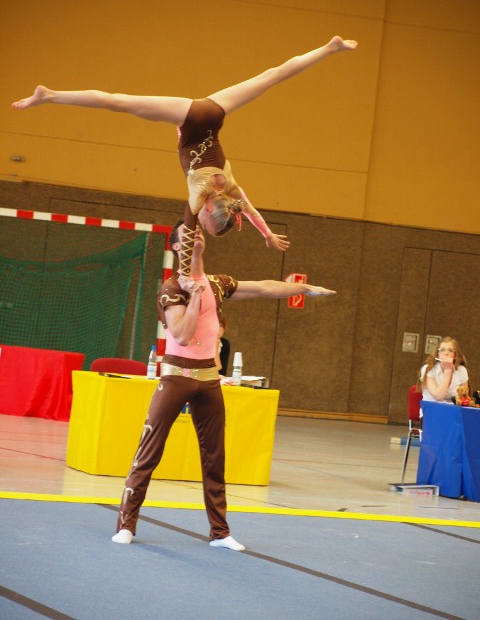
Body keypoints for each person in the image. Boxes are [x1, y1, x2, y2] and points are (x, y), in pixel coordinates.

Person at [111, 220, 336, 549]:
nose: (197, 236)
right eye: (188, 235)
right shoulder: (172, 289)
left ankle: (220, 532)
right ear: (177, 247)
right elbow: (182, 336)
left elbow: (262, 288)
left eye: (199, 231)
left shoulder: (217, 283)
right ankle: (126, 524)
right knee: (149, 453)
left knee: (215, 459)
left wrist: (302, 289)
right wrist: (194, 297)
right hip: (176, 378)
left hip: (209, 380)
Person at [12, 35, 357, 249]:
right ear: (207, 212)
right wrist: (187, 271)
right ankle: (50, 95)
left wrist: (266, 234)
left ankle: (330, 47)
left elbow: (250, 211)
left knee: (272, 76)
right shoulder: (198, 198)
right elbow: (188, 234)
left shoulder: (231, 190)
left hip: (213, 113)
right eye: (205, 225)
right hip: (189, 117)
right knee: (117, 102)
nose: (199, 227)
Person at [417, 336, 470, 403]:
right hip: (432, 407)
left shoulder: (462, 370)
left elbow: (464, 397)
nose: (446, 353)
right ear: (438, 354)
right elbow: (438, 396)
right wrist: (448, 371)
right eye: (442, 350)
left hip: (453, 408)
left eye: (450, 350)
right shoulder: (428, 369)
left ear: (455, 355)